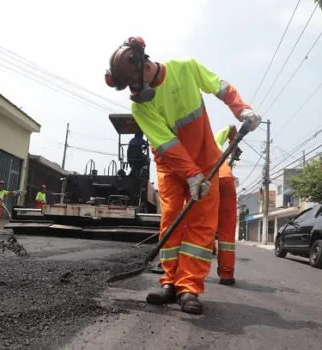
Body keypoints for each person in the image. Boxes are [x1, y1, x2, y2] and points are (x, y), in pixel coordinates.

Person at [104, 36, 261, 314]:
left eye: (134, 83)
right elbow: (166, 143)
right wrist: (189, 175)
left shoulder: (185, 68)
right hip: (171, 166)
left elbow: (220, 87)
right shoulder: (140, 107)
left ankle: (188, 287)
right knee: (172, 221)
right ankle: (169, 282)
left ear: (145, 65)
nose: (135, 90)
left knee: (201, 223)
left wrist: (242, 109)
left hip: (206, 160)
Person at [214, 124, 240, 286]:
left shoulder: (192, 142)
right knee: (227, 229)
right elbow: (231, 127)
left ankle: (192, 277)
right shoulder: (215, 140)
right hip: (226, 179)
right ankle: (226, 274)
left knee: (201, 227)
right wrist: (234, 145)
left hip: (206, 179)